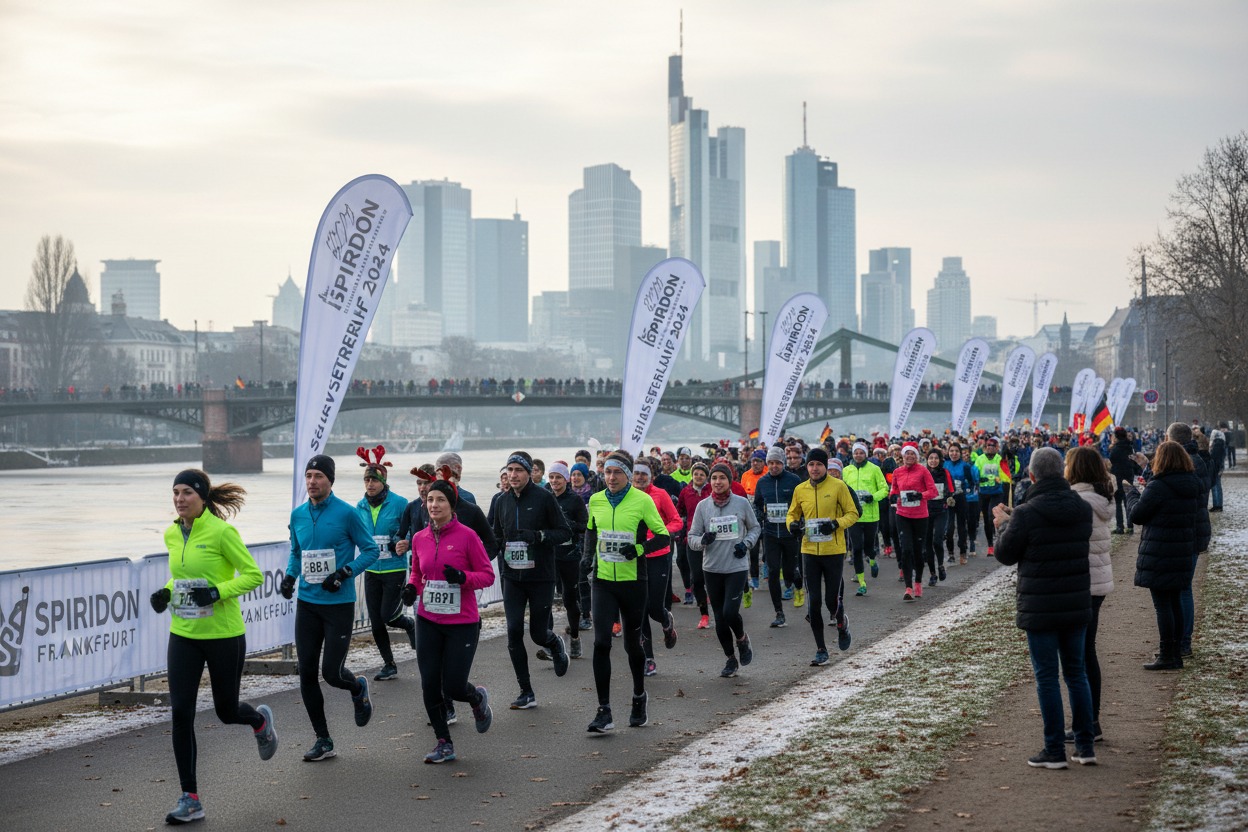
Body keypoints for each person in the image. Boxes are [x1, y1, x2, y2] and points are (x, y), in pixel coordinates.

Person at [150, 469, 276, 825]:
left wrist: (218, 592)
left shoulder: (222, 532)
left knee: (225, 710)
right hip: (184, 634)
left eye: (187, 492)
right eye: (175, 492)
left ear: (202, 497)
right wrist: (167, 591)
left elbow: (253, 574)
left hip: (223, 634)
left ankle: (258, 720)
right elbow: (183, 575)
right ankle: (190, 797)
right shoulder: (172, 533)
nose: (179, 498)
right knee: (180, 713)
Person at [991, 447, 1096, 769]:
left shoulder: (1027, 512)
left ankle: (1054, 750)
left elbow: (1006, 554)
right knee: (1077, 674)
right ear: (1062, 473)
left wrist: (1001, 526)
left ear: (1032, 475)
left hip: (1040, 603)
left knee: (1047, 676)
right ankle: (1085, 744)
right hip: (1076, 599)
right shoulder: (1081, 507)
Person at [280, 455, 380, 762]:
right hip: (308, 604)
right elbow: (297, 553)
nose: (312, 481)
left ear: (330, 481)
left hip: (338, 604)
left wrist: (344, 572)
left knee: (332, 673)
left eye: (318, 476)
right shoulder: (297, 515)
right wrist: (290, 576)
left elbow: (371, 550)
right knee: (307, 673)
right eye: (308, 476)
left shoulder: (347, 514)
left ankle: (357, 688)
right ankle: (323, 739)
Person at [402, 477, 496, 763]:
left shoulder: (467, 536)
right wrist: (411, 589)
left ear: (451, 504)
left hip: (462, 622)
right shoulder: (419, 538)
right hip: (428, 619)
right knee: (430, 683)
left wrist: (463, 579)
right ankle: (444, 742)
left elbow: (488, 575)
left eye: (440, 500)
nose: (434, 505)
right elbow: (418, 574)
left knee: (453, 686)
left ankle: (476, 698)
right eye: (430, 500)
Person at [582, 450, 671, 733]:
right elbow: (591, 531)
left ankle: (638, 697)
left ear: (628, 475)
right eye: (607, 472)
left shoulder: (642, 501)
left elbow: (663, 535)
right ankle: (604, 711)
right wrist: (587, 557)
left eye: (617, 472)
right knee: (601, 643)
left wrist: (640, 549)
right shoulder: (595, 500)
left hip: (634, 582)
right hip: (603, 581)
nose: (610, 478)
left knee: (633, 644)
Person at [490, 451, 573, 710]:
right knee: (513, 631)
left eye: (518, 470)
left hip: (540, 576)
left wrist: (537, 536)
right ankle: (526, 691)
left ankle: (554, 643)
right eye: (509, 470)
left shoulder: (544, 498)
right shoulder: (501, 501)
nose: (512, 475)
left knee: (537, 634)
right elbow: (494, 537)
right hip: (512, 577)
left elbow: (564, 532)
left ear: (529, 473)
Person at [1122, 440, 1201, 671]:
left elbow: (1138, 515)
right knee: (1174, 602)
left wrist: (1131, 494)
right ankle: (1175, 651)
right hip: (1181, 550)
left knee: (1163, 606)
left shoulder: (1159, 486)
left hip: (1161, 552)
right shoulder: (1190, 484)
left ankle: (1168, 654)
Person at [786, 447, 859, 666]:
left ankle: (841, 624)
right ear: (806, 467)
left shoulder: (838, 486)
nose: (815, 468)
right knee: (814, 602)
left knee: (831, 601)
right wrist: (793, 526)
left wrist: (836, 524)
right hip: (809, 551)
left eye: (818, 464)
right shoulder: (800, 489)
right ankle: (821, 649)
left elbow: (853, 513)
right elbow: (792, 514)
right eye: (811, 464)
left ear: (825, 466)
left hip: (834, 551)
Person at [688, 463, 762, 677]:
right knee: (719, 618)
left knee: (730, 613)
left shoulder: (741, 503)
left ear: (730, 481)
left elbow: (755, 527)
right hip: (712, 568)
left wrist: (746, 544)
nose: (717, 482)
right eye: (714, 478)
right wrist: (703, 540)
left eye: (722, 478)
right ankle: (730, 659)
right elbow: (691, 537)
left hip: (736, 567)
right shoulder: (703, 507)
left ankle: (742, 639)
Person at [1064, 445, 1114, 743]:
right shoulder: (1101, 497)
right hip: (1098, 581)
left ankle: (1086, 722)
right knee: (1087, 652)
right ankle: (1091, 720)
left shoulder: (1078, 501)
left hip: (1081, 580)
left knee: (1078, 657)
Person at [355, 447, 415, 682]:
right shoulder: (360, 506)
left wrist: (406, 542)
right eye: (367, 479)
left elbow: (413, 530)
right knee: (376, 620)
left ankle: (408, 623)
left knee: (388, 615)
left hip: (394, 568)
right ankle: (389, 664)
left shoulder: (400, 503)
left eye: (374, 480)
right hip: (371, 569)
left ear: (383, 481)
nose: (370, 484)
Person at [631, 460, 682, 676]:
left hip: (659, 555)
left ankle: (666, 620)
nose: (640, 477)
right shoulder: (627, 497)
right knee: (640, 610)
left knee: (654, 608)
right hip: (635, 557)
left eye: (644, 474)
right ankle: (648, 659)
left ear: (651, 475)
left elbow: (677, 521)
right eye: (637, 474)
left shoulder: (660, 494)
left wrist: (660, 533)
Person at [1166, 422, 1211, 657]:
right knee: (1183, 589)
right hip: (1194, 530)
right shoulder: (1197, 459)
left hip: (1186, 531)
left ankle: (1183, 641)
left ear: (1172, 440)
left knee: (1182, 589)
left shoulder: (1186, 463)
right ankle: (1182, 641)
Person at [541, 461, 588, 660]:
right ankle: (551, 642)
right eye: (551, 477)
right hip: (548, 555)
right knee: (545, 599)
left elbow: (585, 526)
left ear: (566, 480)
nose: (554, 481)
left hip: (569, 555)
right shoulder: (544, 498)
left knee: (569, 599)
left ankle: (575, 637)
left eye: (558, 477)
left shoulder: (574, 500)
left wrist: (568, 525)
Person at [754, 445, 803, 624]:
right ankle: (779, 613)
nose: (774, 466)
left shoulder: (794, 480)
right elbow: (758, 504)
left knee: (790, 572)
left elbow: (802, 504)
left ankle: (797, 586)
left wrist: (799, 522)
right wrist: (760, 518)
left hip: (790, 533)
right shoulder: (762, 482)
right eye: (771, 463)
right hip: (770, 533)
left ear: (783, 463)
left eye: (778, 463)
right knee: (773, 571)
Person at [889, 443, 937, 600]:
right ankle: (908, 587)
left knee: (918, 551)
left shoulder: (923, 471)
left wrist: (920, 495)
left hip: (920, 516)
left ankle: (918, 582)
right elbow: (894, 490)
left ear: (917, 456)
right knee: (906, 549)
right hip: (902, 514)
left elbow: (933, 491)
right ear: (902, 456)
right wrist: (893, 496)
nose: (909, 456)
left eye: (912, 454)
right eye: (906, 454)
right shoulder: (897, 472)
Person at [677, 461, 713, 629]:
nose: (698, 476)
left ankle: (719, 608)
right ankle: (704, 614)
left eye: (702, 474)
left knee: (712, 577)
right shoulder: (686, 491)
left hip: (713, 540)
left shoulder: (712, 490)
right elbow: (680, 512)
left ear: (706, 477)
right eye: (696, 473)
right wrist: (682, 531)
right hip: (692, 540)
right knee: (697, 578)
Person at [922, 449, 956, 586]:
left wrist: (949, 498)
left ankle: (941, 565)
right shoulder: (924, 473)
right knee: (928, 543)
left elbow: (951, 489)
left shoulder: (945, 472)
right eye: (931, 458)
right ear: (927, 460)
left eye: (936, 458)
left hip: (941, 510)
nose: (933, 460)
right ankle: (932, 574)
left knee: (937, 540)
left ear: (940, 459)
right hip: (926, 511)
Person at [943, 443, 977, 564]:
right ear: (948, 452)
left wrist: (966, 491)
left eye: (956, 451)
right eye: (951, 451)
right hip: (949, 499)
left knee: (962, 526)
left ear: (960, 453)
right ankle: (951, 553)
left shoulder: (965, 466)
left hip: (961, 498)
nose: (954, 453)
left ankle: (963, 552)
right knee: (949, 528)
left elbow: (972, 482)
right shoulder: (945, 465)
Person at [1108, 427, 1141, 534]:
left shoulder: (1115, 449)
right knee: (1128, 500)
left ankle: (1119, 526)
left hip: (1117, 476)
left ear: (1116, 436)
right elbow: (1134, 460)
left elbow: (1111, 459)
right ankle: (1130, 525)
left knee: (1118, 502)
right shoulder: (1130, 447)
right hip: (1128, 475)